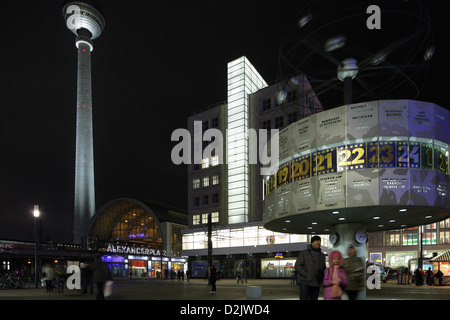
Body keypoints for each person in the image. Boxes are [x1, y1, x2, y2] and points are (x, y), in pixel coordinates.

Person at [295, 235, 326, 300]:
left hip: (316, 283)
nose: (318, 243)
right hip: (305, 282)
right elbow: (297, 266)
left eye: (319, 241)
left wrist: (321, 276)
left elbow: (324, 268)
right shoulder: (304, 253)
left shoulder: (322, 256)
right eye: (316, 241)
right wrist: (306, 275)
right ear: (312, 243)